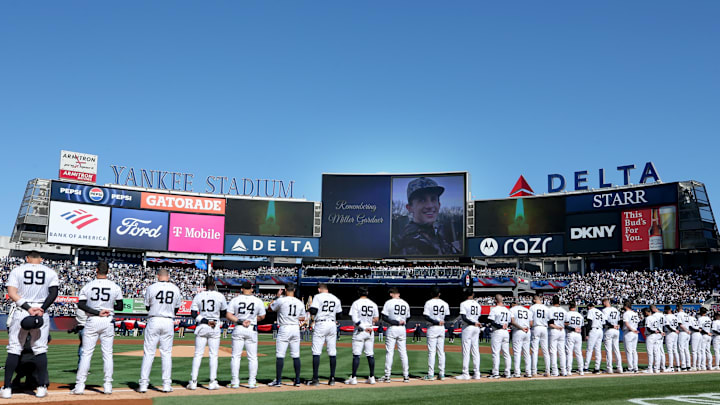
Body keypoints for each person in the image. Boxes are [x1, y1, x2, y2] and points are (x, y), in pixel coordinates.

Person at [2, 251, 58, 399]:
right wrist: (42, 309)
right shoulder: (50, 271)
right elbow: (53, 293)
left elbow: (12, 292)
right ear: (41, 259)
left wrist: (28, 308)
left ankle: (7, 387)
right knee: (40, 349)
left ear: (27, 259)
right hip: (40, 312)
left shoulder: (17, 270)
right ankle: (41, 387)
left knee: (15, 348)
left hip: (22, 310)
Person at [71, 261, 124, 395]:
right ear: (108, 271)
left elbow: (81, 305)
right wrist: (108, 308)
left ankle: (79, 386)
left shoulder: (88, 286)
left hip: (92, 319)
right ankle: (107, 385)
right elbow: (120, 307)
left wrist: (96, 311)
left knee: (86, 354)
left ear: (96, 270)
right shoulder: (114, 286)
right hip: (107, 320)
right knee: (107, 354)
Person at [138, 269, 182, 393]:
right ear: (168, 276)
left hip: (154, 319)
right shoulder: (175, 288)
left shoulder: (152, 287)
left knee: (149, 353)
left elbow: (147, 306)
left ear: (158, 276)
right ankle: (166, 384)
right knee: (166, 353)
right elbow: (177, 308)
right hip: (168, 320)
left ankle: (143, 384)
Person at [394, 177, 459, 256]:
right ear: (409, 208)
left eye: (433, 199)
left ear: (439, 205)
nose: (430, 205)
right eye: (422, 200)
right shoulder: (407, 242)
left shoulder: (436, 235)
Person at [188, 276, 228, 391]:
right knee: (213, 355)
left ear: (204, 284)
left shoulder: (199, 295)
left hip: (202, 325)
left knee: (198, 354)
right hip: (214, 325)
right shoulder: (220, 296)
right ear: (214, 284)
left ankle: (194, 382)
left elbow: (194, 313)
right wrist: (213, 319)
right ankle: (212, 381)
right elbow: (224, 312)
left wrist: (206, 320)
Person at [226, 281, 266, 389]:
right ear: (252, 289)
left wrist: (240, 321)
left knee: (236, 356)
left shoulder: (235, 300)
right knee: (252, 357)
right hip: (251, 328)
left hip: (239, 327)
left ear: (242, 289)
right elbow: (262, 316)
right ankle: (252, 382)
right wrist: (252, 319)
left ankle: (235, 382)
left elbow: (228, 315)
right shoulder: (257, 301)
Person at [268, 284, 306, 387]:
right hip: (295, 328)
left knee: (280, 354)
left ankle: (278, 381)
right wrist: (293, 318)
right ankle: (297, 380)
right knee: (296, 355)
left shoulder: (281, 300)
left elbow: (270, 308)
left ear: (285, 290)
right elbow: (303, 318)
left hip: (284, 327)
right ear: (294, 290)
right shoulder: (299, 302)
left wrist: (276, 296)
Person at [308, 283, 342, 386]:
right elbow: (340, 315)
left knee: (316, 351)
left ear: (319, 289)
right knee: (332, 352)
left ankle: (315, 379)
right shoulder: (336, 298)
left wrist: (309, 307)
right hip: (332, 323)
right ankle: (332, 378)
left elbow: (313, 311)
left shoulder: (318, 297)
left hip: (321, 323)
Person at [346, 287, 379, 385]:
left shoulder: (356, 303)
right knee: (370, 354)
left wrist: (363, 326)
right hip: (370, 330)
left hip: (360, 330)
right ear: (367, 293)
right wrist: (369, 323)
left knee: (356, 354)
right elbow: (376, 318)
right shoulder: (373, 304)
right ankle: (372, 377)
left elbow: (355, 319)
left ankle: (354, 378)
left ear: (358, 293)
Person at [380, 287, 411, 383]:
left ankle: (387, 376)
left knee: (390, 352)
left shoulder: (389, 302)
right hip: (402, 328)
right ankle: (406, 376)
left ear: (391, 294)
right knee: (403, 352)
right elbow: (408, 317)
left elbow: (384, 317)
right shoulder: (405, 303)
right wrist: (402, 322)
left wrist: (394, 322)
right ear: (399, 294)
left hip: (392, 328)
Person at [423, 287, 450, 380]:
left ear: (431, 294)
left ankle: (431, 374)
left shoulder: (428, 303)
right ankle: (442, 374)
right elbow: (447, 317)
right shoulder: (445, 303)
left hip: (432, 327)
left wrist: (435, 321)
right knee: (441, 352)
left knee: (432, 352)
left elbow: (426, 316)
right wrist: (441, 321)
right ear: (439, 294)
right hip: (441, 328)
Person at [456, 289, 482, 380]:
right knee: (475, 350)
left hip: (468, 327)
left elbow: (464, 317)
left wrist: (472, 323)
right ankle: (477, 373)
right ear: (473, 294)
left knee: (466, 350)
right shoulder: (478, 305)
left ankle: (465, 373)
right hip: (476, 327)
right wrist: (475, 323)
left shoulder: (463, 304)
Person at [488, 294, 512, 379]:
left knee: (496, 353)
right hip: (506, 332)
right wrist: (504, 326)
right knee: (506, 353)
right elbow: (509, 322)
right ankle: (507, 372)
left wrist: (500, 326)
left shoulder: (494, 309)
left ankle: (496, 373)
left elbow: (492, 322)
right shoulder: (507, 310)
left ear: (495, 300)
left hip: (497, 331)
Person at [529, 294, 550, 377]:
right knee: (545, 351)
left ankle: (534, 371)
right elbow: (549, 320)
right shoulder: (546, 308)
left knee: (535, 350)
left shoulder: (532, 307)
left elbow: (530, 320)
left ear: (534, 300)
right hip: (544, 328)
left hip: (536, 327)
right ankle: (547, 371)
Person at [510, 298, 532, 378]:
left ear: (513, 304)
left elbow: (512, 321)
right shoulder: (527, 310)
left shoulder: (512, 309)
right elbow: (531, 323)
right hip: (527, 331)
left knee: (517, 352)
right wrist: (525, 328)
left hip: (518, 331)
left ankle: (517, 372)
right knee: (526, 353)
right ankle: (528, 372)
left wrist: (521, 328)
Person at [547, 295, 567, 377]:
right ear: (559, 301)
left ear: (552, 301)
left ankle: (555, 371)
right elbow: (567, 322)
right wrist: (561, 325)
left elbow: (550, 323)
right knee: (562, 351)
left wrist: (557, 326)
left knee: (553, 351)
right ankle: (564, 370)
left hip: (554, 330)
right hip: (562, 331)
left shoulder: (550, 310)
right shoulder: (564, 310)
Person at [602, 298, 623, 373]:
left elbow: (605, 322)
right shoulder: (615, 309)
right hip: (616, 330)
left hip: (609, 330)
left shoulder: (605, 310)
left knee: (609, 350)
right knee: (616, 349)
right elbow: (620, 320)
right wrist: (618, 325)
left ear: (605, 303)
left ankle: (609, 368)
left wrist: (612, 326)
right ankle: (619, 368)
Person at [585, 302, 605, 374]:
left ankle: (586, 367)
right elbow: (604, 323)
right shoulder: (600, 312)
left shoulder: (591, 311)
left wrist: (587, 334)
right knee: (598, 350)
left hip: (593, 330)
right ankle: (597, 368)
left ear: (590, 307)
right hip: (600, 330)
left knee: (589, 349)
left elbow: (589, 323)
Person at [565, 302, 584, 376]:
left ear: (569, 306)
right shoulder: (580, 315)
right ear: (575, 307)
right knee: (578, 353)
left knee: (569, 352)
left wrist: (573, 329)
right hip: (578, 335)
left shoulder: (567, 314)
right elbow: (582, 326)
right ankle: (581, 370)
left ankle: (569, 370)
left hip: (571, 333)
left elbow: (565, 325)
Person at [622, 301, 640, 373]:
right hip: (635, 332)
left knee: (629, 351)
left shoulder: (626, 313)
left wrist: (632, 329)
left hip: (629, 332)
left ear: (626, 306)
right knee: (634, 351)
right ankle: (635, 367)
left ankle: (630, 368)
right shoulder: (635, 313)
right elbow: (638, 322)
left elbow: (626, 324)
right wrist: (634, 329)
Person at [644, 307, 663, 374]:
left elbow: (648, 328)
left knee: (650, 353)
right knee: (656, 353)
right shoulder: (655, 318)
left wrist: (654, 331)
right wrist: (660, 332)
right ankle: (656, 368)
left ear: (646, 312)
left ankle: (650, 368)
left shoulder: (648, 318)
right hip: (656, 336)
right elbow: (658, 328)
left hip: (650, 336)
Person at [664, 306, 680, 372]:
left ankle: (671, 366)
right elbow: (678, 325)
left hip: (670, 333)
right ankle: (678, 366)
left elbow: (667, 325)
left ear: (666, 310)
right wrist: (675, 330)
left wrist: (673, 330)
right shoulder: (674, 316)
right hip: (675, 333)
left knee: (670, 350)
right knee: (675, 350)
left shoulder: (667, 317)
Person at [676, 303, 692, 371]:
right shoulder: (686, 314)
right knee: (686, 349)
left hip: (683, 332)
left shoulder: (679, 314)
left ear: (677, 307)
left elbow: (680, 324)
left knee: (681, 349)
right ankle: (688, 365)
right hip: (688, 333)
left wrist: (686, 330)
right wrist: (688, 331)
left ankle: (683, 366)